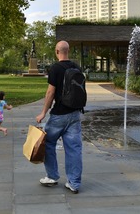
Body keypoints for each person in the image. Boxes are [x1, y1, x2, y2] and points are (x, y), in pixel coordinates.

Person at [36, 40, 83, 194]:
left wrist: (43, 112)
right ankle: (74, 183)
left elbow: (50, 92)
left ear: (57, 51)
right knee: (74, 149)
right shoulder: (76, 67)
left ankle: (52, 176)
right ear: (67, 51)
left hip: (59, 115)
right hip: (75, 114)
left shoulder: (55, 68)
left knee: (47, 142)